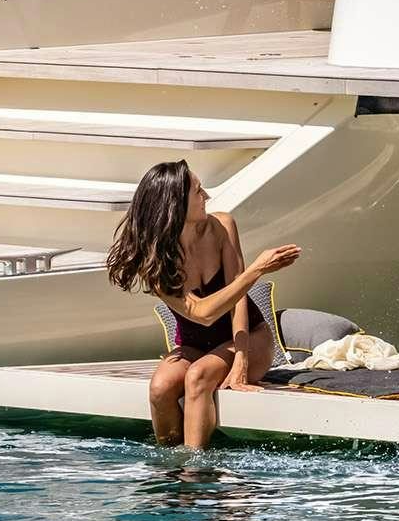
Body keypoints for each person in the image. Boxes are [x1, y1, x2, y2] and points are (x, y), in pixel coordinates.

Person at [104, 159, 300, 449]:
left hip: (248, 339)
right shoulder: (155, 259)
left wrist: (241, 362)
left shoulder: (222, 226)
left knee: (198, 377)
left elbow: (238, 303)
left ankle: (194, 472)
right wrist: (257, 269)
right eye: (198, 191)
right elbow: (202, 314)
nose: (206, 196)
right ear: (175, 206)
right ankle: (170, 466)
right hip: (196, 344)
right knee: (160, 387)